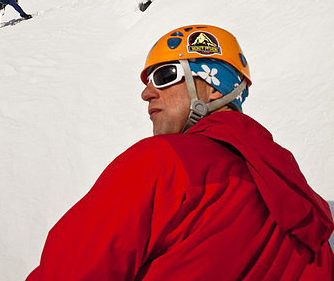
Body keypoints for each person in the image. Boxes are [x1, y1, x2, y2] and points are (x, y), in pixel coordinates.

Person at [25, 25, 334, 280]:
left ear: (214, 87)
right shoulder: (297, 198)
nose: (146, 92)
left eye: (164, 76)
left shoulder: (163, 163)